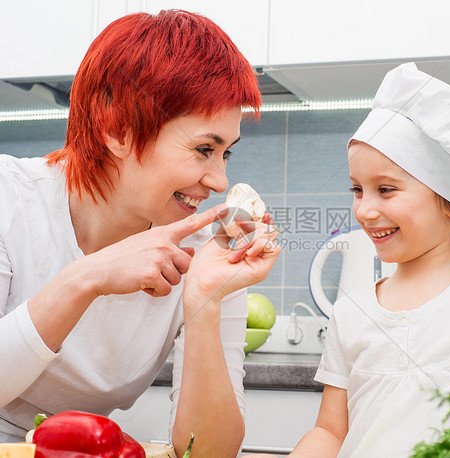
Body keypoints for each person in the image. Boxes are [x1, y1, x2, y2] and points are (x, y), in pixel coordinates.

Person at [0, 9, 280, 458]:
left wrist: (205, 304)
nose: (219, 181)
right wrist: (84, 279)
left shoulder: (204, 253)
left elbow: (209, 453)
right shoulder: (10, 199)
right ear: (117, 130)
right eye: (204, 149)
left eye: (225, 154)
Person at [288, 63, 450, 457]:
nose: (363, 210)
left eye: (385, 189)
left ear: (449, 200)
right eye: (358, 190)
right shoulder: (350, 311)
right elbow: (330, 430)